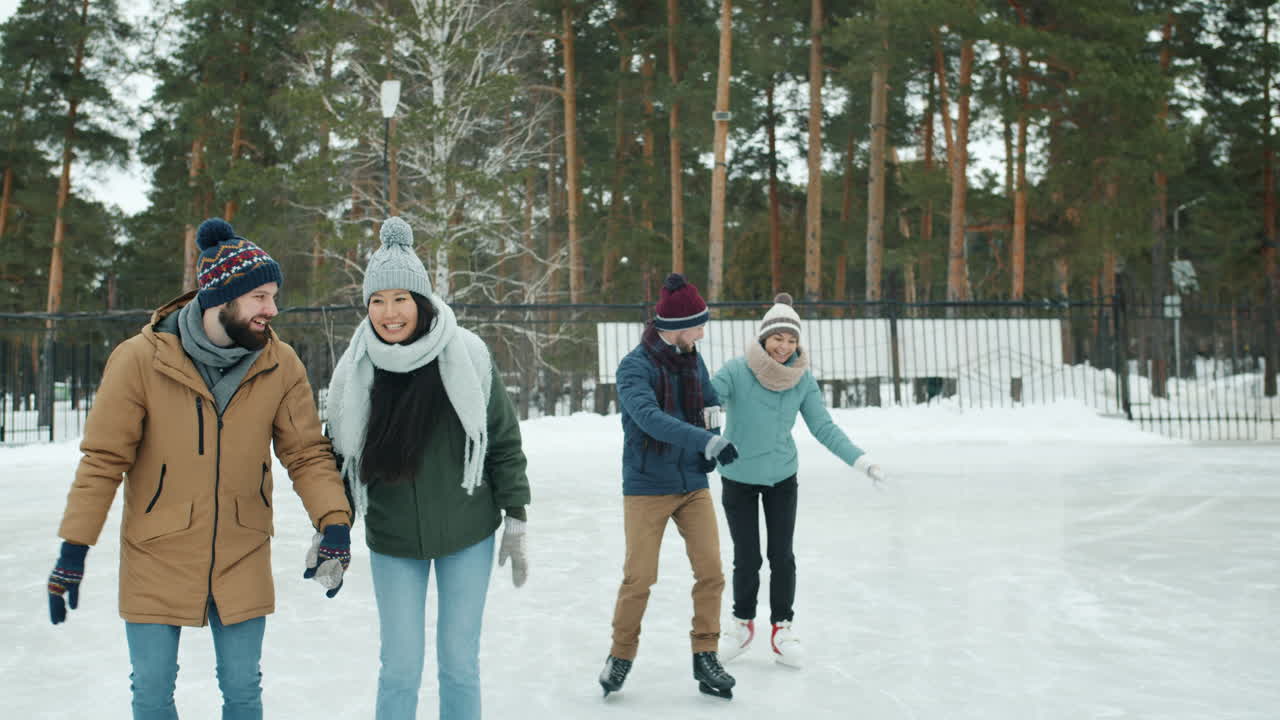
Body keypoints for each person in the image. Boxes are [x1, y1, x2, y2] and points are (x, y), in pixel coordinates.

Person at [47, 218, 353, 720]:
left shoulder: (280, 364)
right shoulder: (139, 360)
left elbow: (305, 453)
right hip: (156, 550)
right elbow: (104, 459)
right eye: (259, 297)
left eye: (273, 296)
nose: (272, 309)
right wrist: (73, 548)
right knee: (151, 692)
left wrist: (334, 522)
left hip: (241, 548)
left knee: (242, 690)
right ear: (220, 299)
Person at [325, 217, 531, 720]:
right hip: (393, 537)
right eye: (377, 301)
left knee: (459, 664)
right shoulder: (355, 369)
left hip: (468, 532)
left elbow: (501, 439)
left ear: (421, 300)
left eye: (400, 299)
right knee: (399, 667)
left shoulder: (467, 356)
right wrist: (329, 527)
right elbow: (339, 460)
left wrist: (516, 514)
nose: (389, 313)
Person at [711, 293, 886, 669]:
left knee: (782, 556)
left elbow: (823, 427)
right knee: (747, 557)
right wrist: (703, 440)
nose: (784, 346)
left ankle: (782, 629)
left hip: (782, 477)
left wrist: (861, 461)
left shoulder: (802, 379)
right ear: (764, 338)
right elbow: (707, 403)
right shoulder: (736, 371)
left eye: (791, 340)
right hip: (738, 476)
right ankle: (742, 625)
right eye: (778, 338)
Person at [598, 272, 740, 700]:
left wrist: (713, 436)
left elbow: (709, 400)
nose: (702, 334)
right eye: (697, 327)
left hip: (692, 483)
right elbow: (652, 420)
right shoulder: (634, 367)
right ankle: (621, 654)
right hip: (647, 486)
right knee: (639, 577)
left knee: (711, 572)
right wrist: (706, 441)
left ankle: (705, 654)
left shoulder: (692, 358)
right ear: (677, 328)